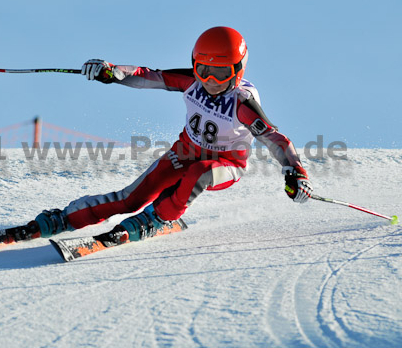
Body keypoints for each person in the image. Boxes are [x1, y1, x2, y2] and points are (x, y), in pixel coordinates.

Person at [26, 26, 313, 243]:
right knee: (131, 198)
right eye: (204, 70)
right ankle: (64, 218)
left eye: (221, 73)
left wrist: (295, 171)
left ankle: (159, 218)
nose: (211, 81)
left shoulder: (241, 102)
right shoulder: (191, 81)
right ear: (194, 64)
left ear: (238, 71)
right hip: (185, 151)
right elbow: (148, 76)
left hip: (226, 165)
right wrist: (110, 72)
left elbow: (275, 139)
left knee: (198, 173)